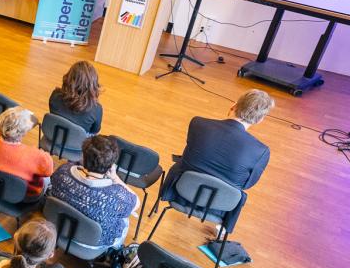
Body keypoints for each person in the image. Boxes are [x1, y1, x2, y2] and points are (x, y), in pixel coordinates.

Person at [158, 89, 273, 233]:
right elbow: (247, 184)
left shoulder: (198, 123)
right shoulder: (261, 151)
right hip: (220, 206)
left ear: (233, 105)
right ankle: (222, 230)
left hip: (181, 193)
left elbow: (189, 154)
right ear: (260, 119)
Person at [47, 135, 139, 249]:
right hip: (93, 242)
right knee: (125, 220)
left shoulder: (63, 171)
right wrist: (115, 178)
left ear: (83, 157)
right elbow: (136, 203)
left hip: (59, 226)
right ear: (111, 166)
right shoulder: (117, 197)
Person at [0, 107, 54, 197]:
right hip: (22, 197)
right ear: (24, 132)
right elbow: (48, 172)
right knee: (47, 178)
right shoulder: (38, 156)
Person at [48, 60, 103, 135]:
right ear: (92, 85)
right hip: (77, 145)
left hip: (51, 136)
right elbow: (94, 131)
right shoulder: (96, 109)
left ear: (68, 78)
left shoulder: (55, 95)